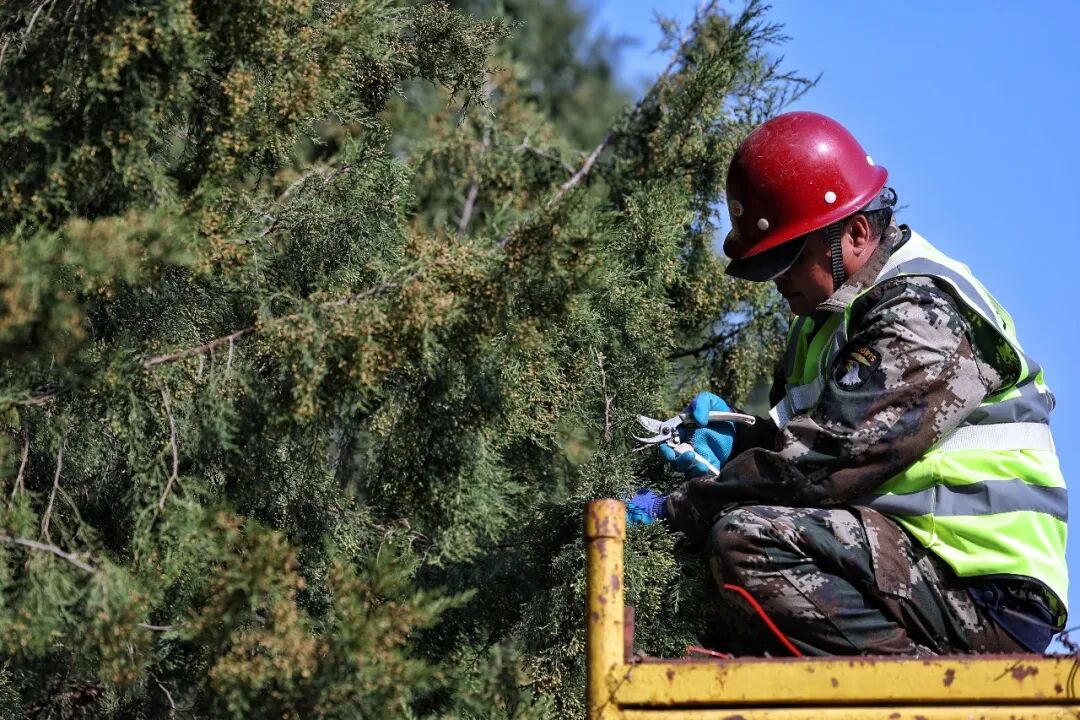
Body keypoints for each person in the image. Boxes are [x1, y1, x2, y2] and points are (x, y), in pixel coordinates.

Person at [628, 111, 1067, 656]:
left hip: (983, 592)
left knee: (747, 541)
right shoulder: (824, 324)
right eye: (768, 266)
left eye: (790, 259)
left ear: (857, 233)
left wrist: (676, 512)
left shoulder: (921, 313)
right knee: (697, 578)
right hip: (900, 569)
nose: (779, 281)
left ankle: (928, 702)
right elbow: (802, 445)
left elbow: (825, 461)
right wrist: (739, 441)